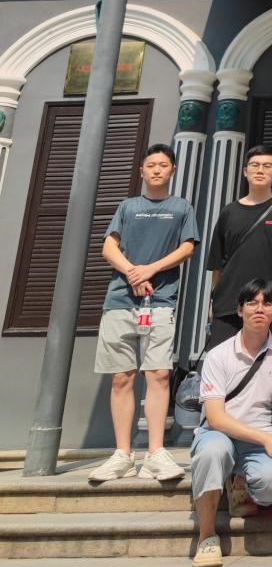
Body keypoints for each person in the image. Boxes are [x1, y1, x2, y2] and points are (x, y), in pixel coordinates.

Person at [88, 143, 199, 485]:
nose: (156, 170)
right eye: (151, 165)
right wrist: (134, 273)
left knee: (159, 374)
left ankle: (155, 453)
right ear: (141, 171)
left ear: (173, 170)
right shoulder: (127, 206)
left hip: (160, 301)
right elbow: (109, 246)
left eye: (163, 165)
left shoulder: (181, 207)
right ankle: (122, 454)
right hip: (120, 301)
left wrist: (150, 269)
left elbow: (187, 247)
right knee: (121, 377)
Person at [189, 279, 272, 567]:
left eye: (267, 303)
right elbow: (215, 417)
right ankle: (207, 536)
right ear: (240, 310)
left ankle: (242, 482)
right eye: (252, 303)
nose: (259, 309)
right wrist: (266, 440)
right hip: (218, 433)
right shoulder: (218, 355)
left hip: (261, 438)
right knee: (212, 453)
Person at [206, 145, 272, 349]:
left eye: (267, 166)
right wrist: (213, 302)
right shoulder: (229, 212)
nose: (260, 170)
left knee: (263, 363)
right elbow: (217, 264)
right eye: (254, 165)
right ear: (245, 171)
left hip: (268, 305)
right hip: (228, 305)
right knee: (224, 361)